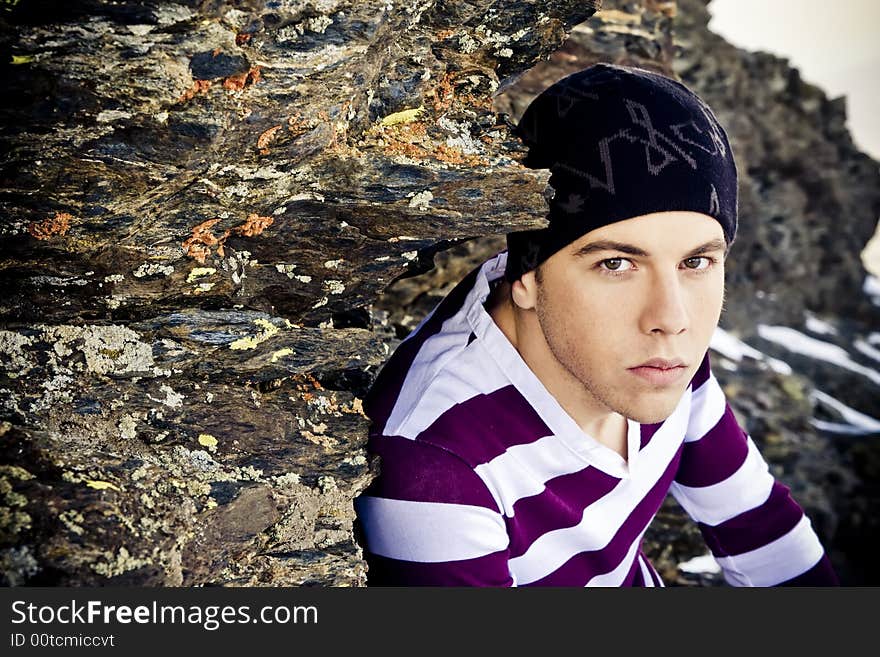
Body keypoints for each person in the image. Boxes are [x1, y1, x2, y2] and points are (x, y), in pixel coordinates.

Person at [353, 63, 839, 586]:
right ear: (527, 278)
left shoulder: (658, 356)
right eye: (616, 264)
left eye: (695, 262)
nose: (671, 319)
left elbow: (761, 529)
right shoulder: (434, 466)